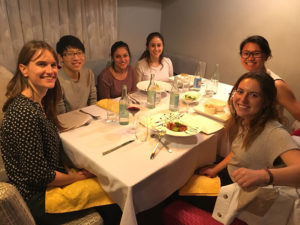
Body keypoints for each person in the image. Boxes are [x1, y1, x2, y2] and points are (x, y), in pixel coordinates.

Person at [0, 40, 121, 225]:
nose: (50, 70)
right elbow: (40, 176)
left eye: (53, 65)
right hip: (38, 198)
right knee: (111, 192)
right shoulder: (24, 112)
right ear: (24, 69)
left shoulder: (39, 102)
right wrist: (76, 177)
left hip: (49, 181)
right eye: (41, 64)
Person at [179, 72, 300, 213]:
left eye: (254, 95)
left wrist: (264, 175)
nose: (243, 99)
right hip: (230, 178)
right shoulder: (248, 120)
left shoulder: (273, 132)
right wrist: (215, 169)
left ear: (266, 101)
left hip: (241, 196)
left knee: (175, 194)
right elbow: (237, 151)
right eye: (240, 91)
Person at [240, 35, 300, 121]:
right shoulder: (248, 79)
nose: (250, 58)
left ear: (267, 56)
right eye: (246, 53)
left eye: (256, 53)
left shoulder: (277, 85)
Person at [56, 35, 97, 114]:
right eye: (70, 54)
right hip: (69, 123)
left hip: (89, 119)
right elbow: (62, 115)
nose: (76, 58)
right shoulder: (56, 80)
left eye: (79, 53)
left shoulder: (89, 73)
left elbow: (93, 101)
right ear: (60, 57)